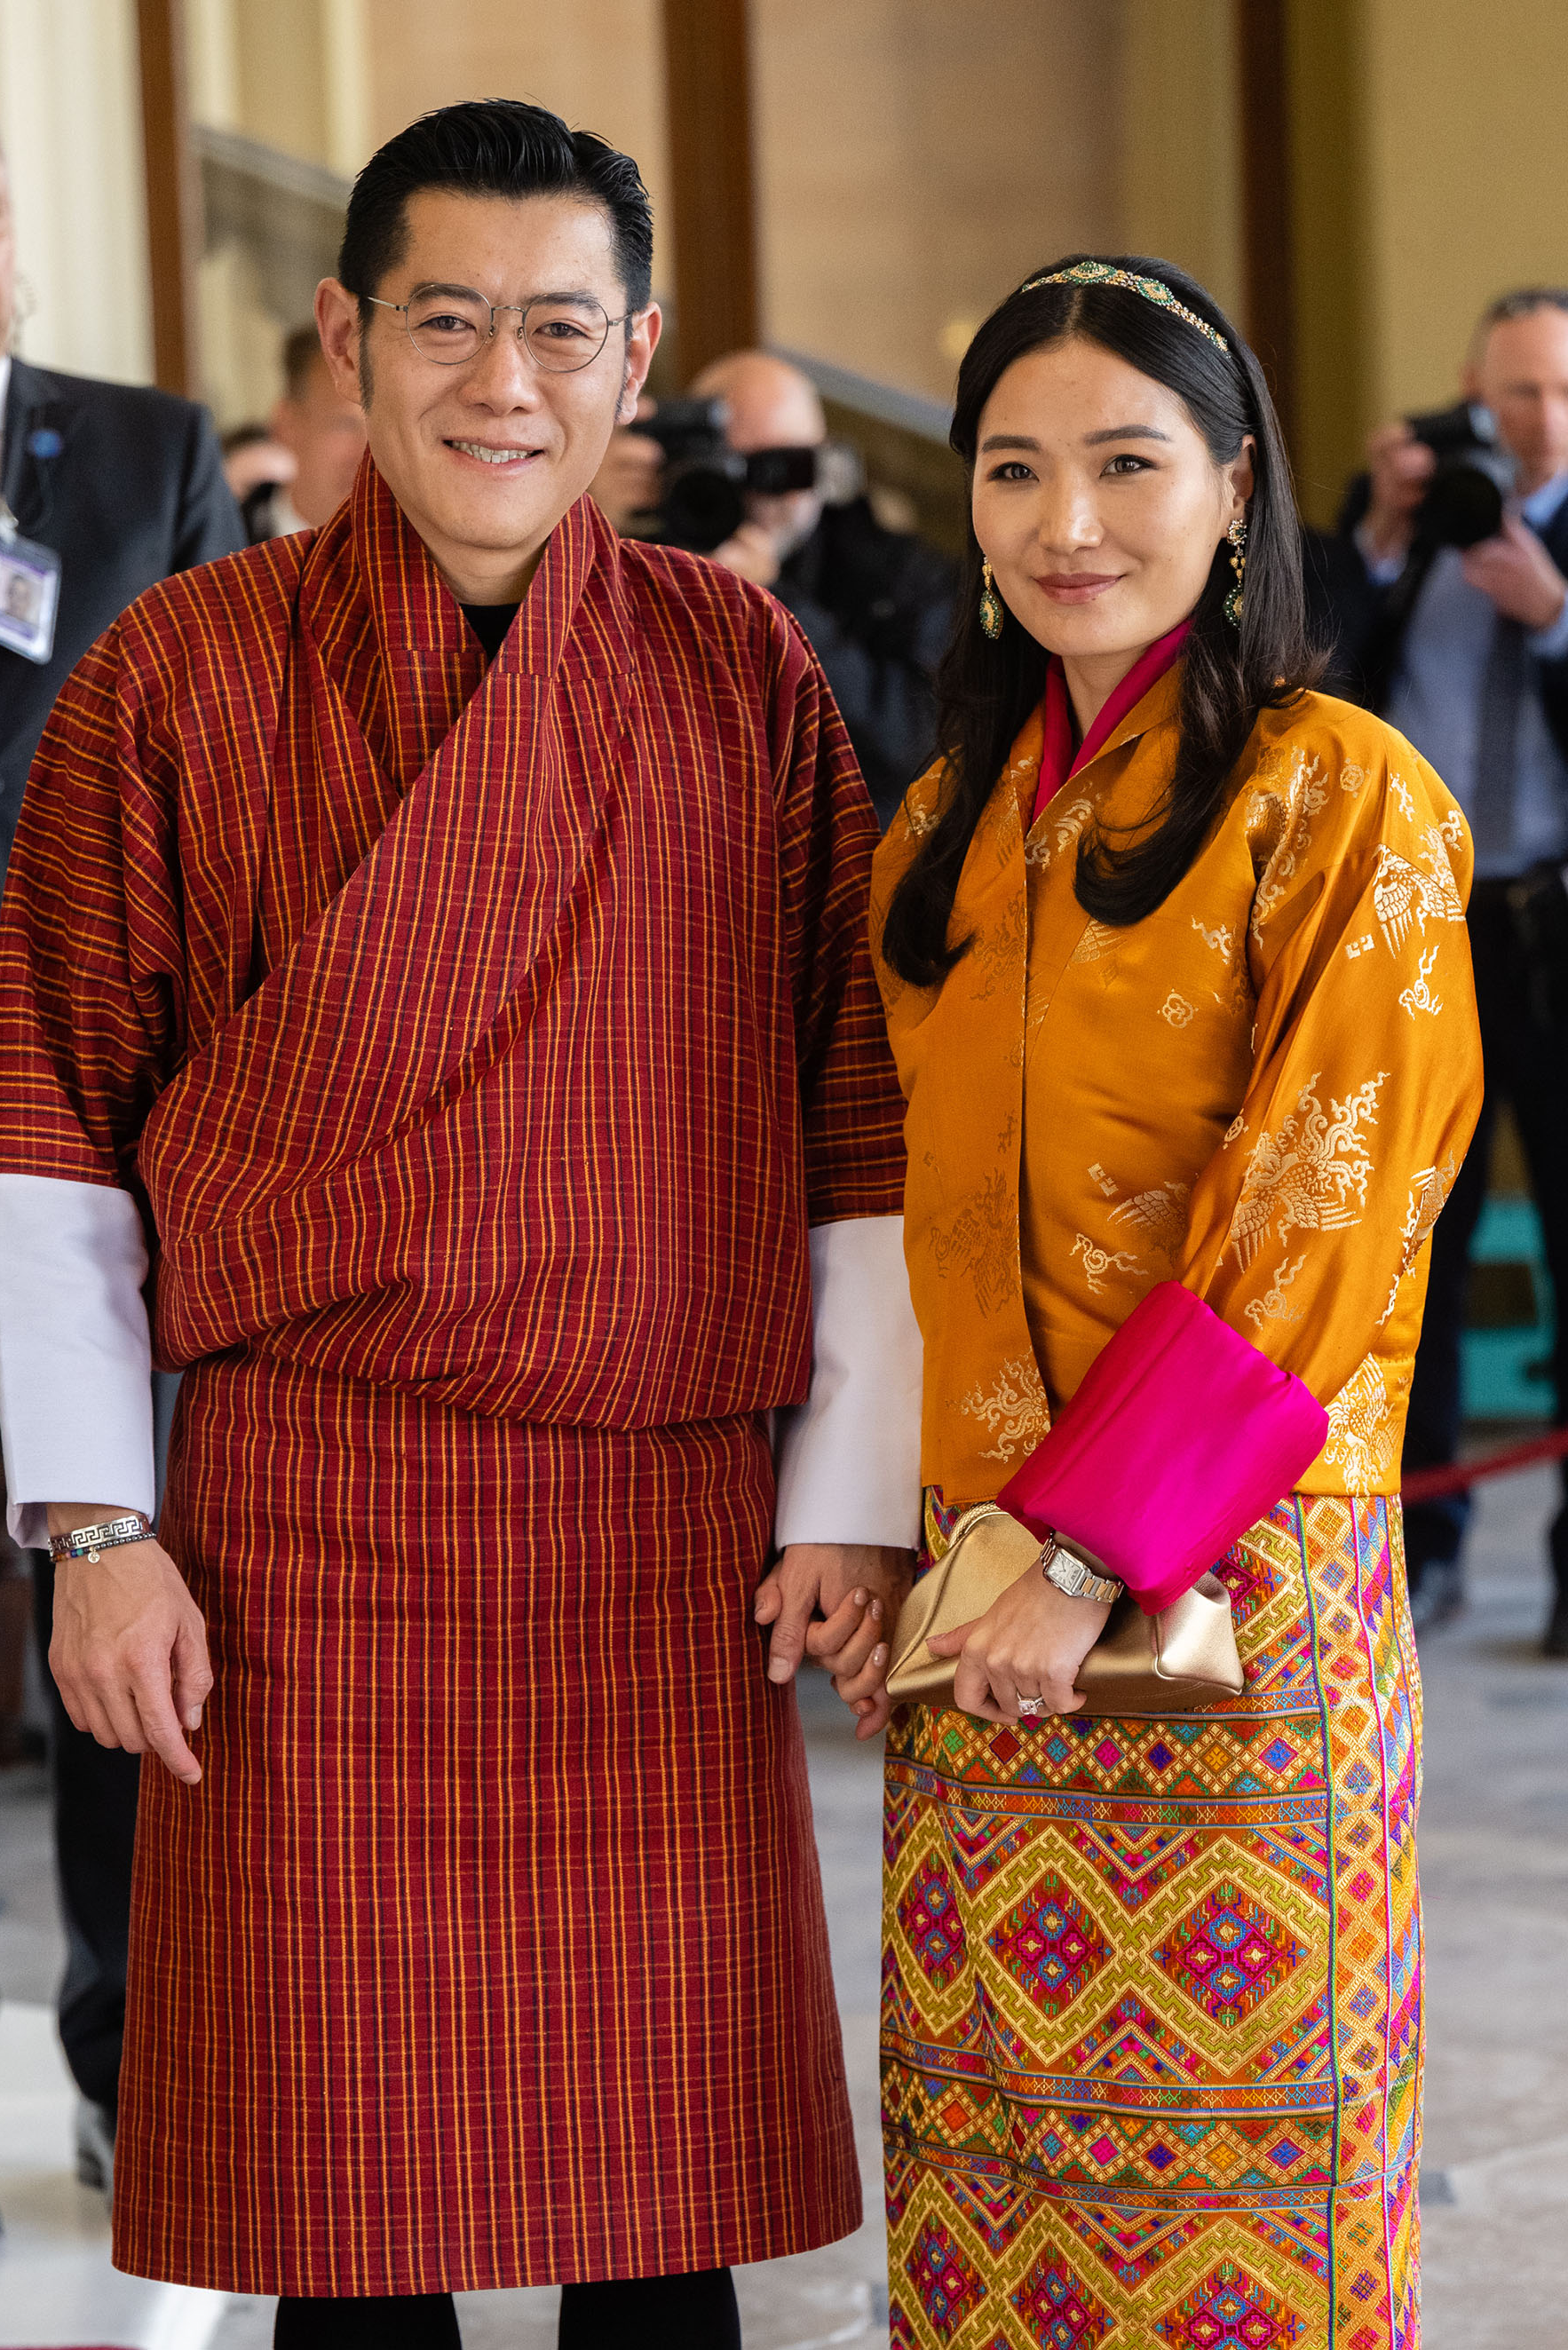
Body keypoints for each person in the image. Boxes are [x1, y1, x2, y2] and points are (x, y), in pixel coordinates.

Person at [0, 100, 921, 2344]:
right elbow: (54, 1127)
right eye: (449, 323)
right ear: (346, 335)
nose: (504, 382)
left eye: (559, 329)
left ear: (636, 358)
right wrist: (99, 1529)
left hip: (660, 1523)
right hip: (308, 1522)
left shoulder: (738, 672)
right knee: (346, 2205)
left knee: (652, 2210)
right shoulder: (178, 675)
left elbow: (854, 1114)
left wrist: (851, 1496)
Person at [856, 256, 1480, 2350]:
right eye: (1013, 471)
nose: (1066, 525)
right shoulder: (940, 831)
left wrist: (1078, 1542)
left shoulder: (1341, 798)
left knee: (1240, 2185)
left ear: (1234, 491)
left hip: (1236, 1584)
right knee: (991, 2178)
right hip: (978, 1618)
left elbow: (1325, 1209)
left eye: (1128, 465)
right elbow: (907, 1221)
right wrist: (903, 1537)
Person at [0, 64, 242, 2257]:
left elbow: (225, 784)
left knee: (121, 1615)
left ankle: (129, 2064)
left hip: (102, 1152)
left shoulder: (158, 455)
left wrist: (41, 1051)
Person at [1328, 289, 1568, 1649]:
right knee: (1412, 1243)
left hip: (1551, 927)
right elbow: (1317, 682)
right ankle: (1422, 1551)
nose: (1537, 424)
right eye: (1515, 394)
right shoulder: (1413, 530)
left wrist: (1558, 618)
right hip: (1419, 935)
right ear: (1470, 391)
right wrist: (1375, 535)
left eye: (1559, 397)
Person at [594, 351, 955, 828]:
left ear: (826, 470)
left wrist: (775, 607)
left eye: (782, 469)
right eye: (725, 467)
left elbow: (917, 751)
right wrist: (587, 522)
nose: (753, 495)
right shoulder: (624, 545)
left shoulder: (900, 576)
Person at [239, 320, 368, 542]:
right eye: (346, 424)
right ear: (287, 424)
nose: (369, 454)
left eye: (382, 429)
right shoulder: (222, 546)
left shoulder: (424, 558)